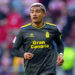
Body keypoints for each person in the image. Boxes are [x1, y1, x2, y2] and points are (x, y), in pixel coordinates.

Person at [11, 3, 64, 75]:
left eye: (37, 11)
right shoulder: (23, 30)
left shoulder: (53, 29)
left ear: (44, 14)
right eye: (32, 12)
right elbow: (14, 50)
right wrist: (23, 54)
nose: (34, 14)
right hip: (31, 71)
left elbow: (60, 44)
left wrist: (60, 54)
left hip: (49, 70)